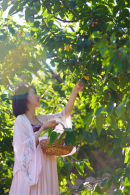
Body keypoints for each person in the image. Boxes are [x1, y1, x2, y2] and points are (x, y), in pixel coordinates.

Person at [9, 80, 84, 195]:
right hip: (32, 171)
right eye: (34, 93)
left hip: (47, 165)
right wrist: (42, 129)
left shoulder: (42, 119)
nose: (38, 96)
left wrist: (74, 92)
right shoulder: (20, 120)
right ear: (25, 98)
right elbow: (22, 148)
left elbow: (63, 115)